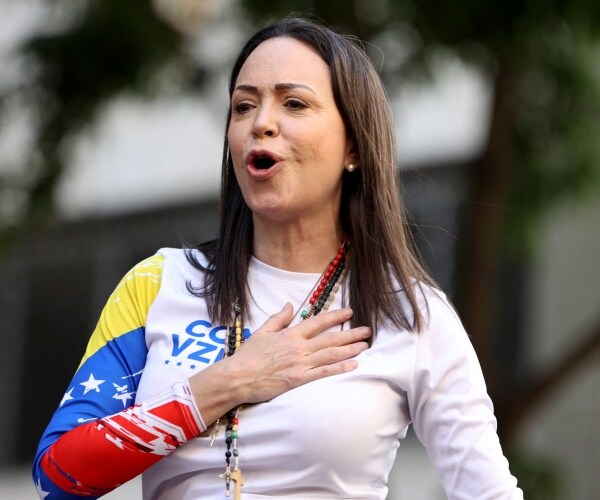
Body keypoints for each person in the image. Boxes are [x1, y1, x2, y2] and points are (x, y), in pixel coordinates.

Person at [33, 17, 523, 500]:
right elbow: (57, 476)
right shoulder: (160, 284)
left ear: (353, 146)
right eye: (244, 106)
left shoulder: (410, 313)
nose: (261, 123)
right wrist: (228, 382)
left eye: (294, 103)